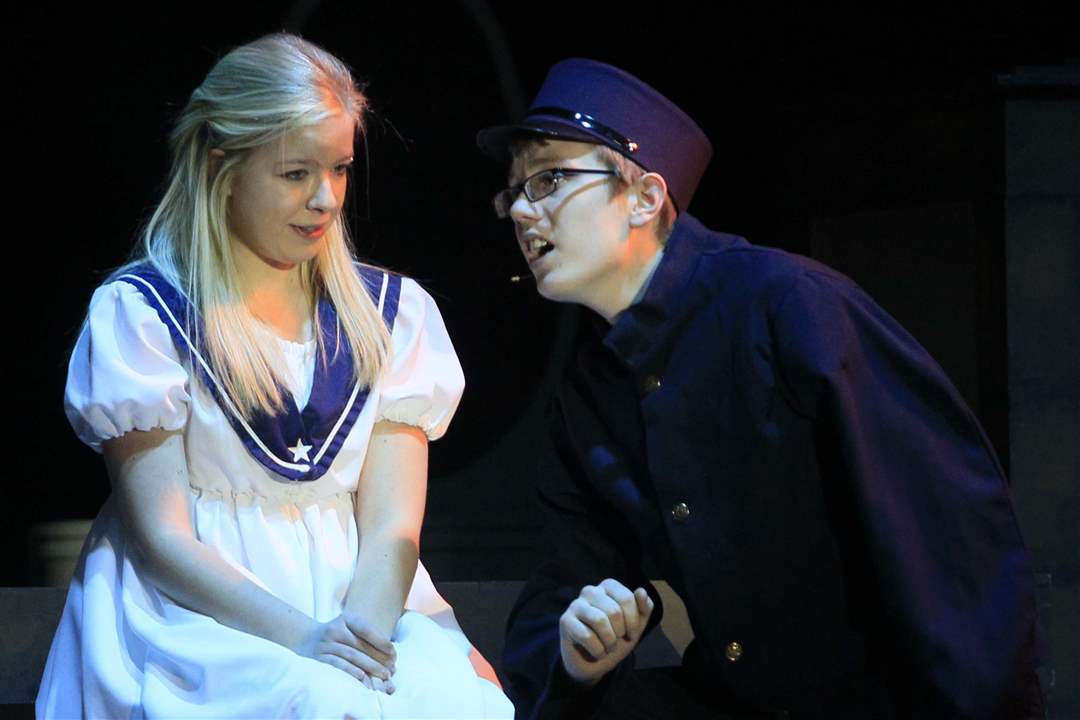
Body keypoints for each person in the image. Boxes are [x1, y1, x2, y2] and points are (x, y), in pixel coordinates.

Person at [476, 59, 1044, 719]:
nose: (522, 210)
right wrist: (577, 655)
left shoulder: (788, 307)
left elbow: (949, 539)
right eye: (513, 193)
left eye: (549, 180)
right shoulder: (590, 392)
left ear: (645, 198)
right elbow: (564, 584)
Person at [38, 33, 513, 719]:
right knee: (313, 701)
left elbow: (392, 528)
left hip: (361, 600)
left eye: (340, 170)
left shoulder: (391, 316)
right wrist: (307, 642)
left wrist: (360, 640)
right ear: (222, 167)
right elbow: (163, 539)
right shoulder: (146, 315)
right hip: (200, 614)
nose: (326, 198)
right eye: (295, 174)